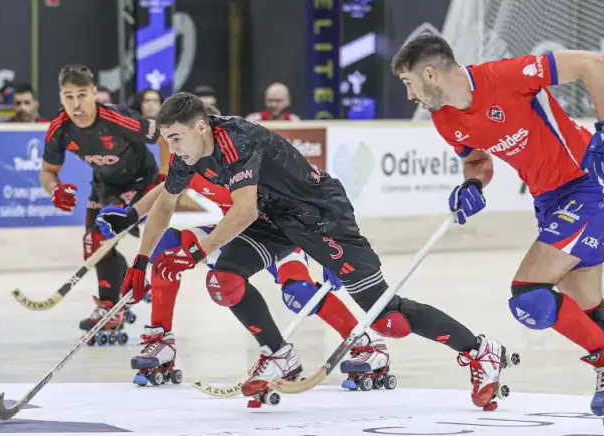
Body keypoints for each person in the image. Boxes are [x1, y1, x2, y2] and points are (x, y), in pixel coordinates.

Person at [123, 92, 513, 409]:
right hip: (274, 217)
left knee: (386, 318)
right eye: (167, 140)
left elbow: (241, 212)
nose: (172, 148)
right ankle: (279, 354)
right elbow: (164, 205)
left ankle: (481, 351)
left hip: (320, 215)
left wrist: (194, 252)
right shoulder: (185, 155)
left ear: (201, 127)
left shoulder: (238, 139)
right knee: (223, 280)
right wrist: (142, 259)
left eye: (175, 138)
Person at [391, 34, 604, 428]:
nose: (410, 94)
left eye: (408, 82)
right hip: (550, 202)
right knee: (589, 312)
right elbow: (478, 161)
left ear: (430, 73)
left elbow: (593, 64)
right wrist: (473, 184)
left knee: (529, 296)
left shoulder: (504, 75)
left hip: (588, 185)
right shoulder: (445, 119)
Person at [96, 105, 374, 388]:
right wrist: (132, 222)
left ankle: (364, 343)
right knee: (172, 252)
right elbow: (162, 196)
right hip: (236, 232)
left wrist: (336, 253)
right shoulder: (191, 160)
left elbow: (314, 196)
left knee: (299, 293)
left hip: (280, 228)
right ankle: (161, 338)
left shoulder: (240, 154)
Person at [41, 64, 161, 334]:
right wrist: (55, 190)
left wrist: (166, 178)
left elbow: (164, 135)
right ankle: (114, 302)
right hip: (104, 185)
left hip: (141, 181)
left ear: (94, 93)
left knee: (101, 240)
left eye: (82, 95)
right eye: (69, 97)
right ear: (61, 97)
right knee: (92, 244)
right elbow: (48, 172)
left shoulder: (117, 119)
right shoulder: (59, 128)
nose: (77, 104)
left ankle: (114, 301)